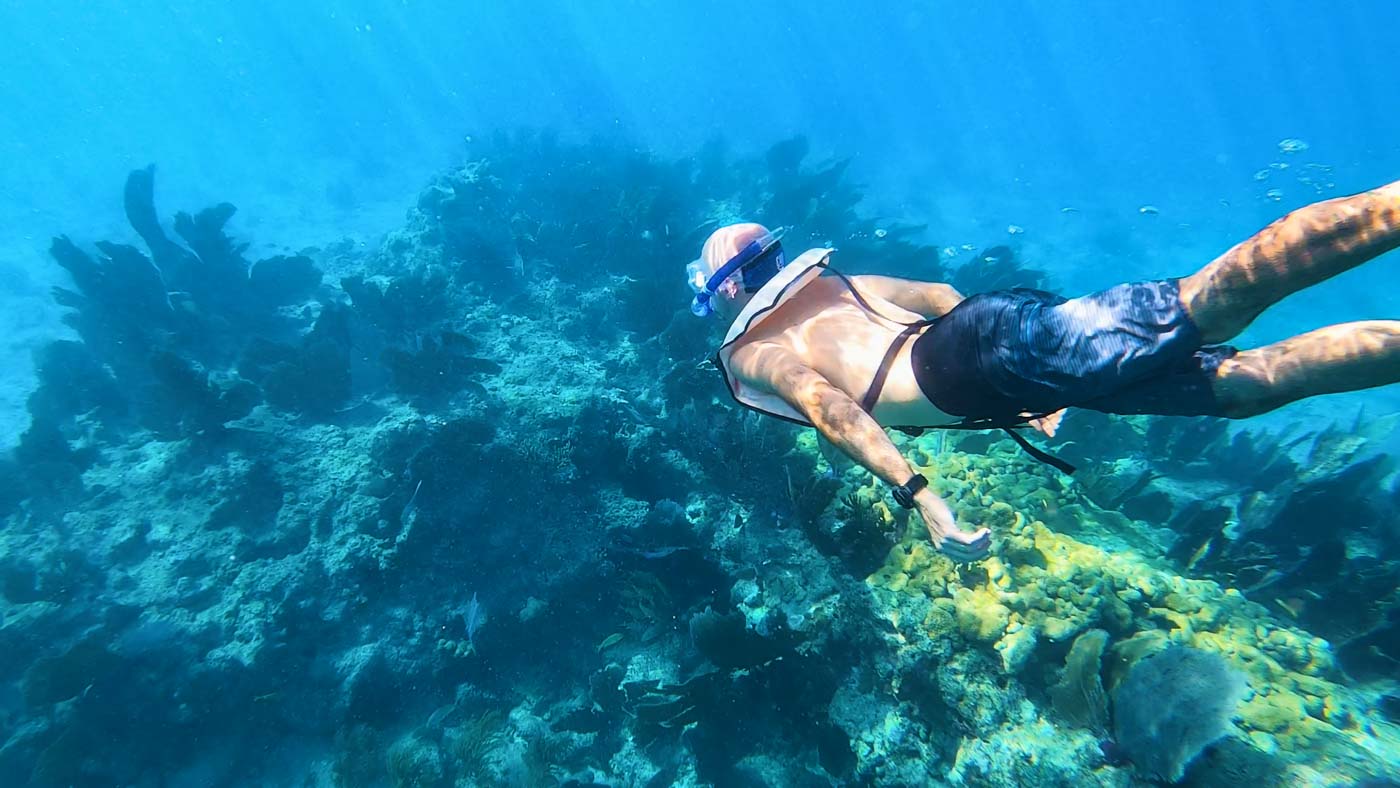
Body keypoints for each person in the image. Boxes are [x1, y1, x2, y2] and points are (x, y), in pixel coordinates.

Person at [686, 181, 1400, 561]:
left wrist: (924, 500)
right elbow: (939, 299)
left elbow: (826, 407)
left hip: (986, 359)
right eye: (766, 265)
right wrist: (1010, 378)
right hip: (992, 355)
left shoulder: (750, 352)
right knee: (1243, 387)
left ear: (718, 295)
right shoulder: (837, 283)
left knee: (1217, 297)